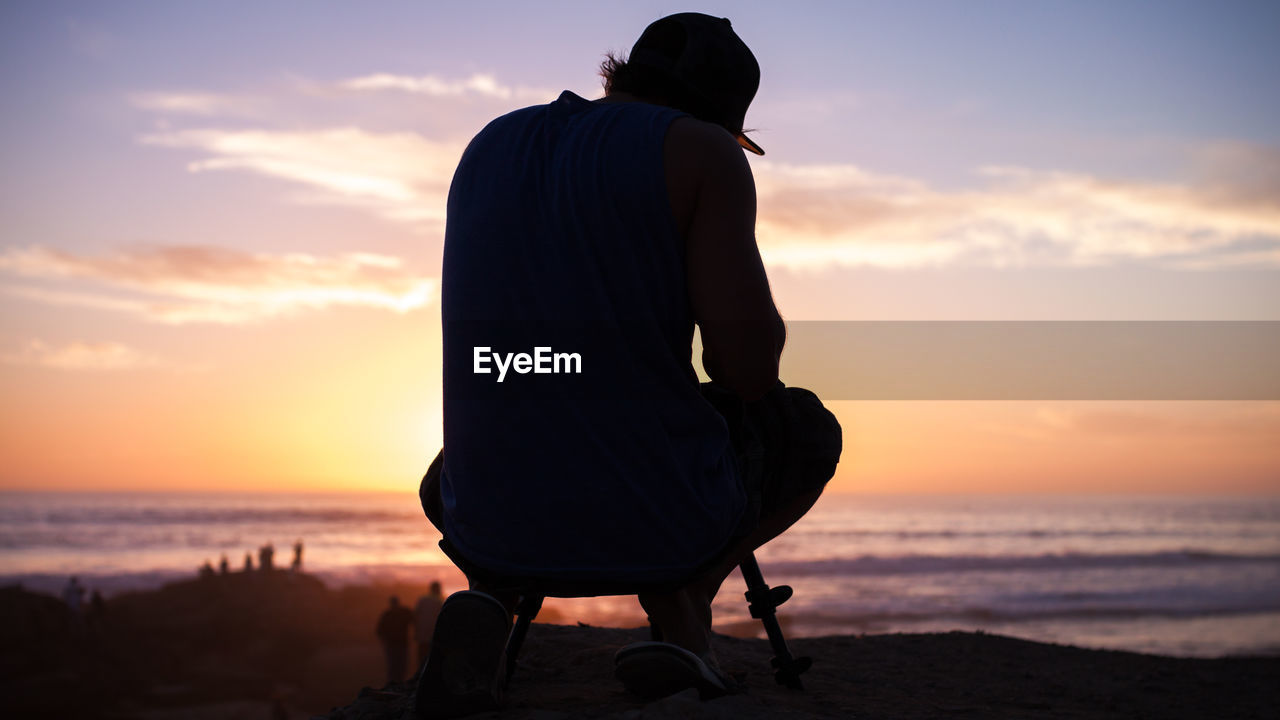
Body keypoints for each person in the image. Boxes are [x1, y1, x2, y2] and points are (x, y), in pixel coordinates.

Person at [417, 12, 840, 717]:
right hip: (651, 519)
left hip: (479, 511)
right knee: (805, 426)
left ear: (623, 72)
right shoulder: (703, 153)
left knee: (507, 417)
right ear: (722, 115)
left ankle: (488, 601)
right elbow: (745, 370)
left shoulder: (490, 142)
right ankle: (683, 610)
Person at [375, 595, 415, 685]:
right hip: (398, 644)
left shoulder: (387, 614)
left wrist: (383, 640)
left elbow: (379, 630)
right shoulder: (404, 612)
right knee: (399, 666)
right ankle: (397, 684)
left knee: (395, 666)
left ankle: (394, 684)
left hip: (395, 644)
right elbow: (415, 620)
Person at [414, 581, 445, 669]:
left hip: (422, 634)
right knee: (431, 659)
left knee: (421, 658)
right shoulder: (440, 601)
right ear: (437, 589)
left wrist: (416, 631)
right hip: (434, 635)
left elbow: (416, 616)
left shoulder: (422, 600)